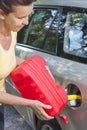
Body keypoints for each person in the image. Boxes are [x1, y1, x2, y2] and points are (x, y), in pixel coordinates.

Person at [0, 0, 54, 129]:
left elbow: (9, 58)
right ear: (1, 13)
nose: (27, 22)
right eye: (21, 17)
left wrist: (37, 68)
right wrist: (30, 103)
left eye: (28, 15)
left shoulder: (12, 31)